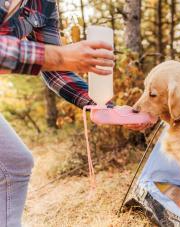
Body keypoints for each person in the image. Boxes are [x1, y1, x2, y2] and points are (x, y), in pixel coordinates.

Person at [0, 0, 117, 226]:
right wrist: (58, 56)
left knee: (14, 165)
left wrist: (105, 107)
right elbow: (55, 58)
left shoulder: (44, 5)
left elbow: (56, 71)